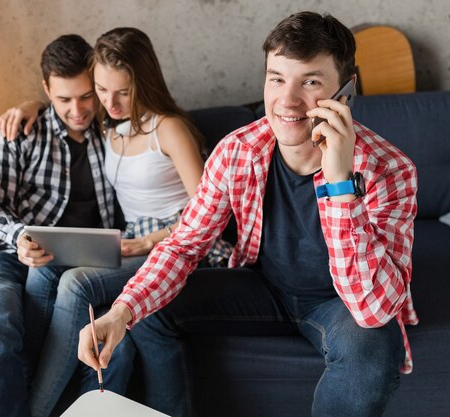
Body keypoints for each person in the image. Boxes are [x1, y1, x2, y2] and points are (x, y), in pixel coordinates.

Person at [78, 12, 418, 417]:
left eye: (310, 81)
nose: (287, 101)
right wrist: (121, 311)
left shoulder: (390, 169)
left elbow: (373, 308)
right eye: (277, 78)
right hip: (264, 287)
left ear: (345, 91)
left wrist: (340, 181)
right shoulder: (236, 151)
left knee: (375, 349)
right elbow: (184, 245)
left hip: (339, 302)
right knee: (147, 308)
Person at [0, 27, 232, 416]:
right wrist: (30, 105)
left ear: (144, 82)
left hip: (181, 245)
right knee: (45, 271)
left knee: (76, 283)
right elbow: (63, 106)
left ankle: (35, 409)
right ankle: (47, 391)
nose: (111, 102)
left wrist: (145, 243)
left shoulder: (168, 128)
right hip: (132, 243)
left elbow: (209, 214)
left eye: (122, 92)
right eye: (102, 91)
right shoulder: (107, 127)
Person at [0, 34, 138, 417]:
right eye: (62, 99)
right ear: (46, 90)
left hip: (83, 265)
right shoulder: (20, 131)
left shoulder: (112, 130)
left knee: (117, 352)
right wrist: (21, 237)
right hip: (6, 253)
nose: (77, 110)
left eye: (87, 96)